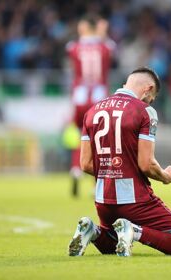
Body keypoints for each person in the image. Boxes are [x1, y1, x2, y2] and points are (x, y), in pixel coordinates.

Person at [68, 67, 171, 256]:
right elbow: (146, 164)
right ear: (148, 88)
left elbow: (85, 164)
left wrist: (112, 170)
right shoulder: (145, 111)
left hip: (104, 200)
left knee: (112, 243)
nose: (149, 102)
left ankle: (91, 230)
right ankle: (134, 230)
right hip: (135, 199)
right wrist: (165, 176)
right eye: (151, 98)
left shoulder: (92, 111)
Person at [66, 14, 116, 196]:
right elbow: (111, 48)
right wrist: (102, 33)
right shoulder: (104, 46)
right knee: (100, 139)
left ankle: (76, 168)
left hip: (79, 97)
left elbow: (71, 50)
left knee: (80, 136)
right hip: (99, 98)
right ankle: (97, 183)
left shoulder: (74, 46)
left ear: (83, 28)